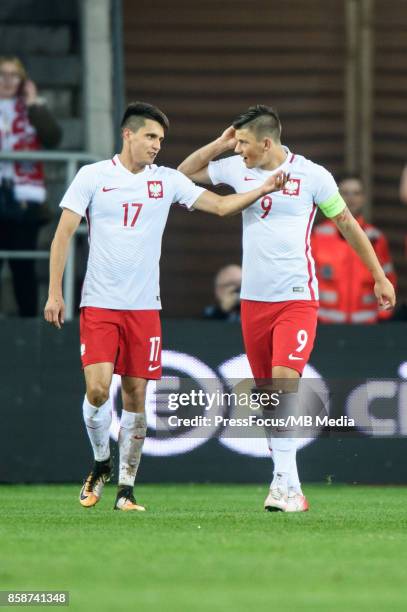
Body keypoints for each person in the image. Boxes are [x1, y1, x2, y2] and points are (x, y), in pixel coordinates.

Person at [43, 102, 288, 512]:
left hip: (144, 309)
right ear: (128, 135)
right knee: (99, 390)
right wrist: (55, 292)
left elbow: (223, 206)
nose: (157, 145)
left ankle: (126, 490)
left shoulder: (167, 181)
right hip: (100, 303)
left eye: (161, 139)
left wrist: (262, 189)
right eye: (151, 137)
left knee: (137, 396)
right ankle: (101, 460)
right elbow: (63, 233)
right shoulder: (93, 176)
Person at [178, 104, 396, 513]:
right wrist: (220, 143)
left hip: (296, 297)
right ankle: (291, 487)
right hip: (253, 301)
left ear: (266, 142)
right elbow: (182, 176)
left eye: (243, 143)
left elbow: (349, 224)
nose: (239, 149)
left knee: (282, 386)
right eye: (236, 143)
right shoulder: (234, 167)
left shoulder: (312, 175)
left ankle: (282, 485)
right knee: (268, 397)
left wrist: (378, 276)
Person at [0, 56, 61, 316]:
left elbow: (53, 138)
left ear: (23, 80)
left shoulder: (33, 109)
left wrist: (34, 101)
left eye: (14, 75)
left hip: (26, 197)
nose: (7, 80)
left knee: (22, 266)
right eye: (2, 74)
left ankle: (29, 323)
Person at [312, 175, 397, 323]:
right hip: (323, 325)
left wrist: (383, 315)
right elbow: (305, 277)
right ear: (336, 196)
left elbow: (388, 278)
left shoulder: (376, 238)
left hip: (368, 326)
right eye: (345, 193)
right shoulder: (318, 235)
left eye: (356, 193)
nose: (351, 198)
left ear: (364, 198)